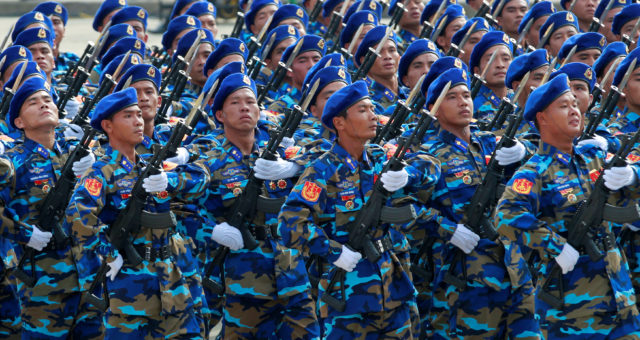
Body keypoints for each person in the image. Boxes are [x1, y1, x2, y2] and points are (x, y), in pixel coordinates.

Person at [495, 73, 640, 338]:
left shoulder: (593, 157)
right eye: (564, 106)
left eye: (575, 104)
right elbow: (506, 216)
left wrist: (633, 176)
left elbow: (628, 180)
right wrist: (556, 245)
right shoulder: (534, 171)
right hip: (572, 307)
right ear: (542, 118)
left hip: (619, 295)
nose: (574, 111)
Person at [279, 80, 425, 338]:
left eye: (372, 108)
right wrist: (332, 251)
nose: (372, 116)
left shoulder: (381, 159)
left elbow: (430, 166)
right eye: (362, 110)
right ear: (340, 122)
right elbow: (290, 222)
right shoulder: (322, 170)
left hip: (392, 286)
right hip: (348, 295)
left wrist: (408, 175)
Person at [65, 87, 210, 338]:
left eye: (139, 115)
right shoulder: (101, 172)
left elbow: (201, 178)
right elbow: (78, 215)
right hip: (130, 283)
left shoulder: (152, 167)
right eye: (128, 116)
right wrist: (108, 253)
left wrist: (169, 181)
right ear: (108, 126)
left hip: (173, 278)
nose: (138, 121)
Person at [196, 73, 320, 339]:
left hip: (291, 267)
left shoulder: (276, 152)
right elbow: (183, 210)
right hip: (243, 273)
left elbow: (328, 152)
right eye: (235, 103)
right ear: (220, 115)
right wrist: (213, 231)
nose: (244, 108)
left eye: (251, 102)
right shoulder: (210, 159)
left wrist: (293, 166)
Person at [0, 76, 100, 339]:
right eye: (33, 102)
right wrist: (23, 233)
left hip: (88, 276)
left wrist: (95, 167)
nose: (44, 104)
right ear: (19, 123)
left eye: (48, 100)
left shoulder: (79, 154)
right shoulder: (12, 162)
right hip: (42, 284)